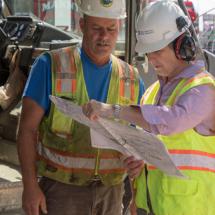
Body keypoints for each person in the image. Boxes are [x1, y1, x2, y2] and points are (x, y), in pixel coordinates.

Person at [82, 1, 215, 215]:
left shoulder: (203, 90)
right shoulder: (152, 93)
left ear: (182, 45)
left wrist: (113, 110)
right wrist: (138, 162)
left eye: (157, 51)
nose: (151, 59)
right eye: (148, 52)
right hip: (149, 206)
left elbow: (169, 121)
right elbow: (153, 146)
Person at [16, 0, 145, 215]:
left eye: (111, 29)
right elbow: (27, 129)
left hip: (112, 191)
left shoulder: (131, 79)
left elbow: (137, 140)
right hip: (61, 190)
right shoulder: (51, 66)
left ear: (119, 28)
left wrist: (135, 196)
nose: (104, 36)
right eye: (96, 28)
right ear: (82, 25)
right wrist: (30, 186)